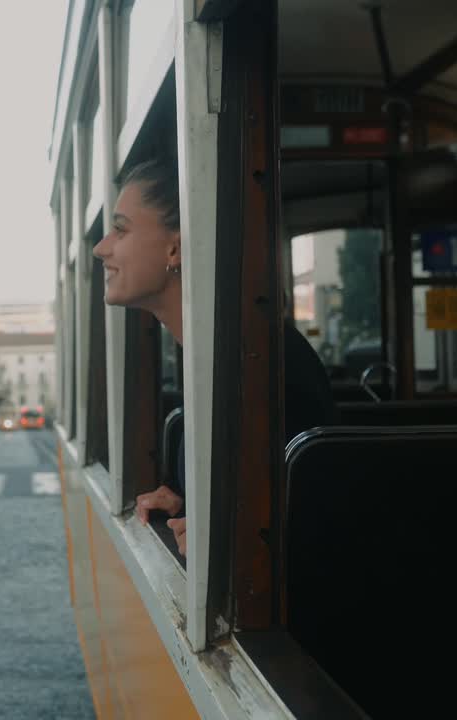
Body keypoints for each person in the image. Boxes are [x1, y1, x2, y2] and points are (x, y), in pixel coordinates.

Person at [92, 158, 336, 556]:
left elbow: (307, 523)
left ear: (176, 246)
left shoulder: (254, 361)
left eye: (120, 228)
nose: (102, 248)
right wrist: (187, 506)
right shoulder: (221, 350)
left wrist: (225, 538)